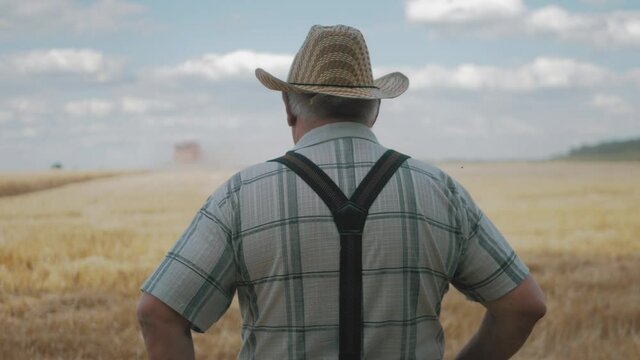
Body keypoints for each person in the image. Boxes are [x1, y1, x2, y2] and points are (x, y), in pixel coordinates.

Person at [137, 25, 546, 360]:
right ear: (375, 107)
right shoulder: (441, 191)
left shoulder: (241, 196)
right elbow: (523, 306)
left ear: (288, 107)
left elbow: (158, 316)